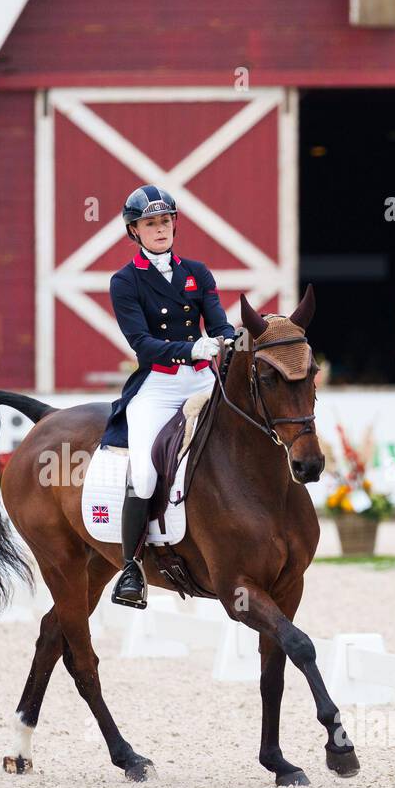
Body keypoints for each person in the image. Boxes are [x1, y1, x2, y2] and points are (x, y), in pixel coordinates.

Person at [101, 184, 236, 609]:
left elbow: (219, 324)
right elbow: (142, 344)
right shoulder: (124, 282)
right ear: (134, 231)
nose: (159, 229)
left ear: (173, 225)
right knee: (143, 476)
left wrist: (233, 340)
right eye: (149, 223)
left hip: (201, 382)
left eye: (164, 221)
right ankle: (131, 569)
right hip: (157, 386)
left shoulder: (198, 272)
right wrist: (190, 348)